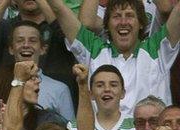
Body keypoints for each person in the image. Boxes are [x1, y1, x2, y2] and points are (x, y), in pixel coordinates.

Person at [47, 0, 180, 111]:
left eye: (129, 15)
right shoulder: (93, 50)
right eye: (116, 16)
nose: (123, 22)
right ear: (107, 25)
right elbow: (59, 9)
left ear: (141, 24)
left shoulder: (157, 49)